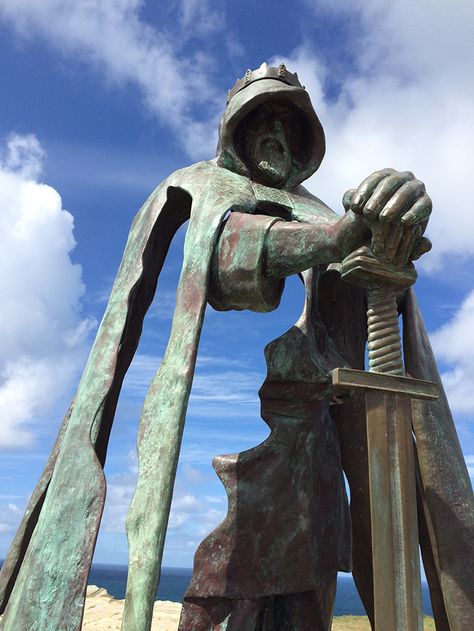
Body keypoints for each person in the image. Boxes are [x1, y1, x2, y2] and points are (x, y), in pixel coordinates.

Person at [0, 64, 472, 631]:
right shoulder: (205, 189)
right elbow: (235, 257)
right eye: (262, 121)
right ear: (236, 132)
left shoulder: (324, 208)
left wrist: (390, 219)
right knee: (214, 603)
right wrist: (333, 238)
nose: (277, 134)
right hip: (255, 498)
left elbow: (364, 288)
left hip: (314, 488)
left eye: (289, 123)